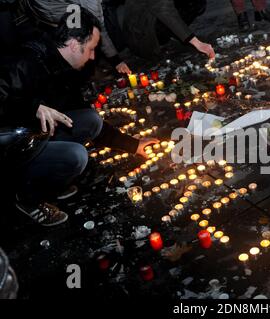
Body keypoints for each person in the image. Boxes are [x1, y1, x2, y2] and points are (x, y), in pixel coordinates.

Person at [0, 8, 156, 227]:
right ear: (74, 45)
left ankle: (52, 175)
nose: (93, 56)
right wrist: (31, 107)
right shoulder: (24, 63)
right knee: (76, 156)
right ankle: (27, 198)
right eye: (91, 49)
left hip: (36, 132)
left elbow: (83, 112)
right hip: (10, 147)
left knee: (90, 119)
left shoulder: (64, 68)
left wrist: (132, 144)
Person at [19, 0, 132, 74]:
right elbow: (97, 29)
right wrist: (116, 60)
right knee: (82, 44)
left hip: (48, 15)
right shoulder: (90, 3)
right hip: (47, 17)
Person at [121, 0, 215, 59]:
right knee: (171, 15)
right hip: (141, 34)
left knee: (197, 3)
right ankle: (168, 36)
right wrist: (197, 43)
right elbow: (165, 11)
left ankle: (177, 33)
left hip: (153, 14)